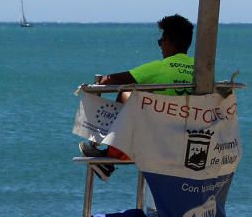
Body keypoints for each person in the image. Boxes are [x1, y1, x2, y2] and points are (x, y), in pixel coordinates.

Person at [82, 13, 195, 179]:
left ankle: (109, 156)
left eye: (161, 41)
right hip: (186, 138)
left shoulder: (160, 68)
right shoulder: (200, 70)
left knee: (126, 92)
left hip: (156, 139)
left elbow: (111, 80)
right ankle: (112, 153)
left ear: (169, 42)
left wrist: (98, 83)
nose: (160, 47)